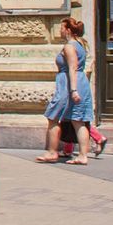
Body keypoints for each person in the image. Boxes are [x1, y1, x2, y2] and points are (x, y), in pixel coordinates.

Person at [39, 17, 93, 164]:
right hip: (79, 83)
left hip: (69, 85)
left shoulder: (69, 46)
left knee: (53, 117)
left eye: (61, 28)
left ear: (68, 30)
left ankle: (52, 152)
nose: (60, 30)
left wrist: (73, 90)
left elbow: (72, 67)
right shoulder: (80, 44)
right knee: (78, 120)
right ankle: (82, 156)